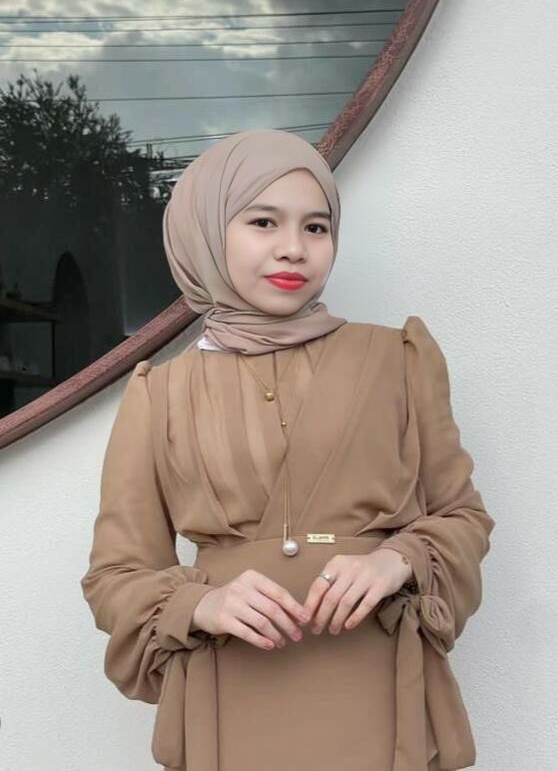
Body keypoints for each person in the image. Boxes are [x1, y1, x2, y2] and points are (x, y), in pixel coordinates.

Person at [80, 128, 495, 771]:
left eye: (316, 227)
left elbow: (462, 516)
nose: (294, 248)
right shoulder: (160, 394)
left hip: (380, 693)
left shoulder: (398, 359)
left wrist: (398, 560)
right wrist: (201, 603)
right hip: (231, 702)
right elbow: (116, 575)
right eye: (263, 222)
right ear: (206, 232)